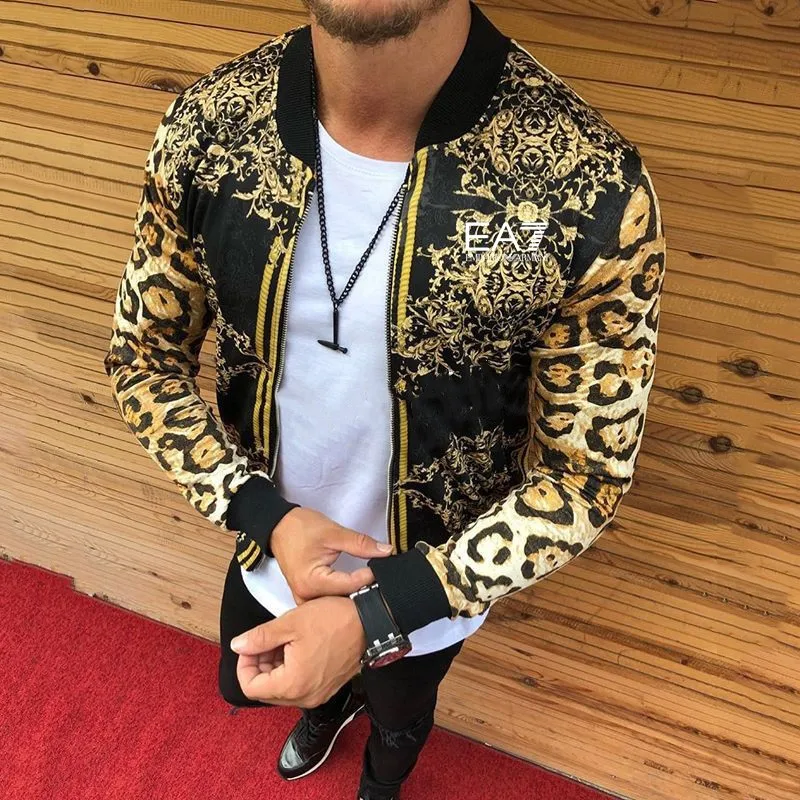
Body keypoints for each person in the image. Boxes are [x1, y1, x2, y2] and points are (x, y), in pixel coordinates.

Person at [104, 0, 666, 797]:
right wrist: (263, 516)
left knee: (401, 717)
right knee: (269, 683)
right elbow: (143, 360)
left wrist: (379, 615)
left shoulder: (593, 185)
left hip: (435, 586)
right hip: (268, 549)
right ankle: (326, 710)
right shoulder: (208, 127)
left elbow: (585, 476)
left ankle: (383, 777)